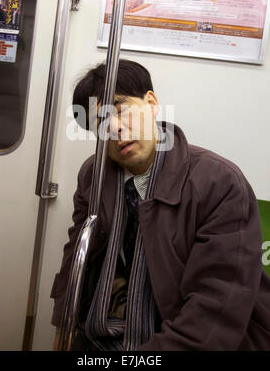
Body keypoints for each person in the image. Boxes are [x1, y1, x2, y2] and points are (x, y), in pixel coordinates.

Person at [50, 59, 270, 351]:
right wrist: (62, 326)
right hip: (104, 332)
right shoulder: (94, 175)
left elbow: (218, 303)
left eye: (120, 109)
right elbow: (75, 260)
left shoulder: (218, 182)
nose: (114, 128)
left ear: (151, 103)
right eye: (99, 122)